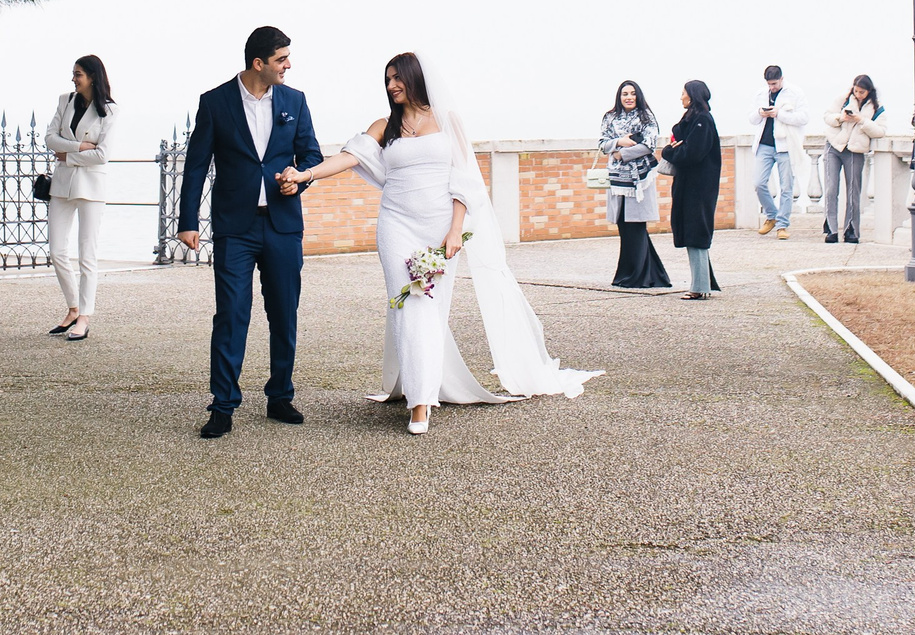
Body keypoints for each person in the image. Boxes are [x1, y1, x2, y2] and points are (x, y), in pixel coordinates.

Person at [284, 54, 596, 434]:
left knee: (429, 307)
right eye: (387, 80)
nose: (392, 85)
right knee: (407, 304)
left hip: (438, 228)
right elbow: (350, 157)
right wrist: (305, 175)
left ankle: (424, 388)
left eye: (398, 78)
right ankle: (419, 402)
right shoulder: (385, 126)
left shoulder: (447, 121)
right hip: (395, 224)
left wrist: (455, 229)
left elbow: (463, 178)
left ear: (416, 78)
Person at [176, 25, 321, 437]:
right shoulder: (215, 102)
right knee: (232, 315)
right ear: (259, 63)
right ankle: (223, 406)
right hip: (234, 228)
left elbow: (310, 152)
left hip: (282, 225)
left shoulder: (295, 100)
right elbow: (196, 165)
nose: (288, 65)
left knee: (283, 312)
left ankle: (280, 396)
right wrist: (188, 221)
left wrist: (301, 177)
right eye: (281, 59)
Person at [43, 54, 116, 340]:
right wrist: (80, 146)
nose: (74, 79)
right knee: (57, 250)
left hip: (91, 187)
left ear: (93, 77)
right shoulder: (65, 101)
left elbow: (102, 155)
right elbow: (49, 139)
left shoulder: (109, 110)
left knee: (88, 254)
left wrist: (68, 154)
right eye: (73, 73)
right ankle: (73, 307)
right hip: (62, 185)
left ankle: (84, 316)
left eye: (79, 74)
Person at [598, 80, 670, 289]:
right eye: (624, 94)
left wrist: (622, 153)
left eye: (632, 93)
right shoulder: (610, 117)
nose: (628, 97)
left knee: (637, 226)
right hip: (617, 179)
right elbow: (602, 143)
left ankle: (640, 276)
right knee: (623, 225)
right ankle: (634, 274)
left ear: (638, 95)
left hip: (640, 179)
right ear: (619, 97)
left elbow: (649, 144)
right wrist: (619, 142)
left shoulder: (646, 117)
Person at [660, 79, 723, 297]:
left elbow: (692, 153)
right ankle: (702, 284)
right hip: (692, 185)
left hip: (699, 186)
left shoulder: (702, 120)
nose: (681, 97)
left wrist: (669, 152)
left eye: (684, 93)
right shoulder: (696, 119)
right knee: (693, 231)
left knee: (697, 232)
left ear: (693, 95)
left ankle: (700, 288)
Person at [819, 73, 885, 245]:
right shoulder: (843, 99)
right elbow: (827, 116)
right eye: (856, 91)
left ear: (869, 92)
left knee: (853, 191)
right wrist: (841, 117)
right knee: (831, 188)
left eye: (862, 92)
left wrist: (861, 120)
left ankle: (852, 230)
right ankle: (831, 229)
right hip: (834, 145)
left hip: (855, 150)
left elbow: (880, 131)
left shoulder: (877, 108)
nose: (858, 95)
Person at [750, 65, 805, 237]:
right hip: (764, 144)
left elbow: (803, 118)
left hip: (785, 145)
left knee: (786, 187)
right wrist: (761, 112)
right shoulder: (761, 94)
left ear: (782, 79)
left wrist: (779, 114)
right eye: (769, 84)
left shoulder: (795, 93)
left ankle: (782, 225)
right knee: (758, 182)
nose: (772, 87)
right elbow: (752, 119)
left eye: (774, 83)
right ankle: (771, 215)